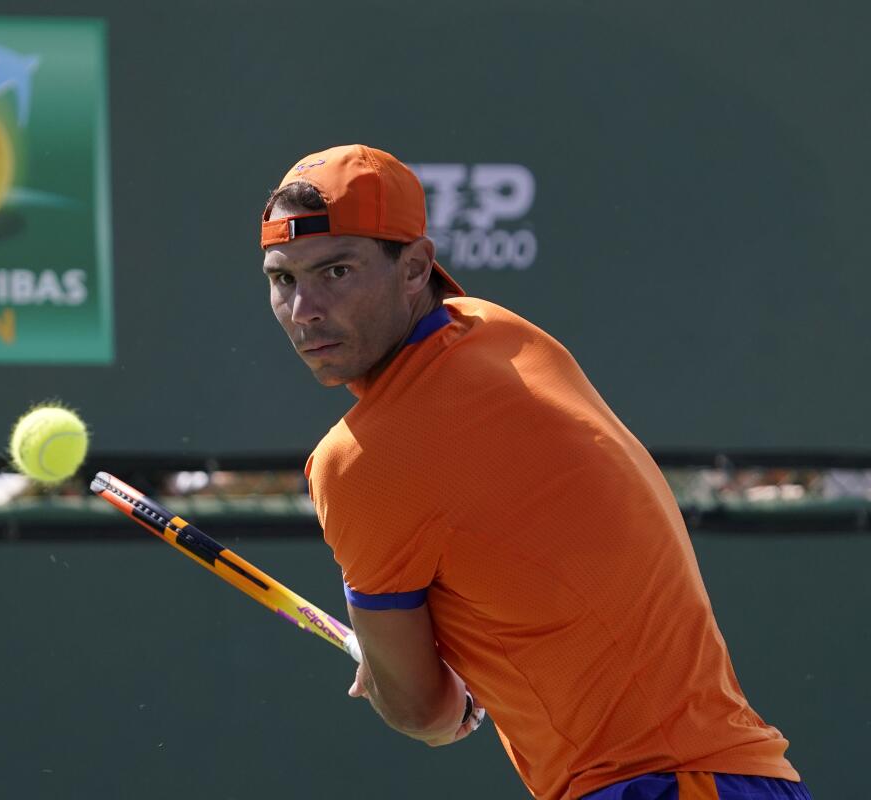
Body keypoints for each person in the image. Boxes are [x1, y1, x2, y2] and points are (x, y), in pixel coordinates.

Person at [258, 144, 810, 800]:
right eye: (283, 279)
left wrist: (402, 682)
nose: (304, 310)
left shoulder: (361, 462)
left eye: (336, 271)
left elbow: (424, 713)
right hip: (734, 777)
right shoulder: (501, 333)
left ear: (415, 268)